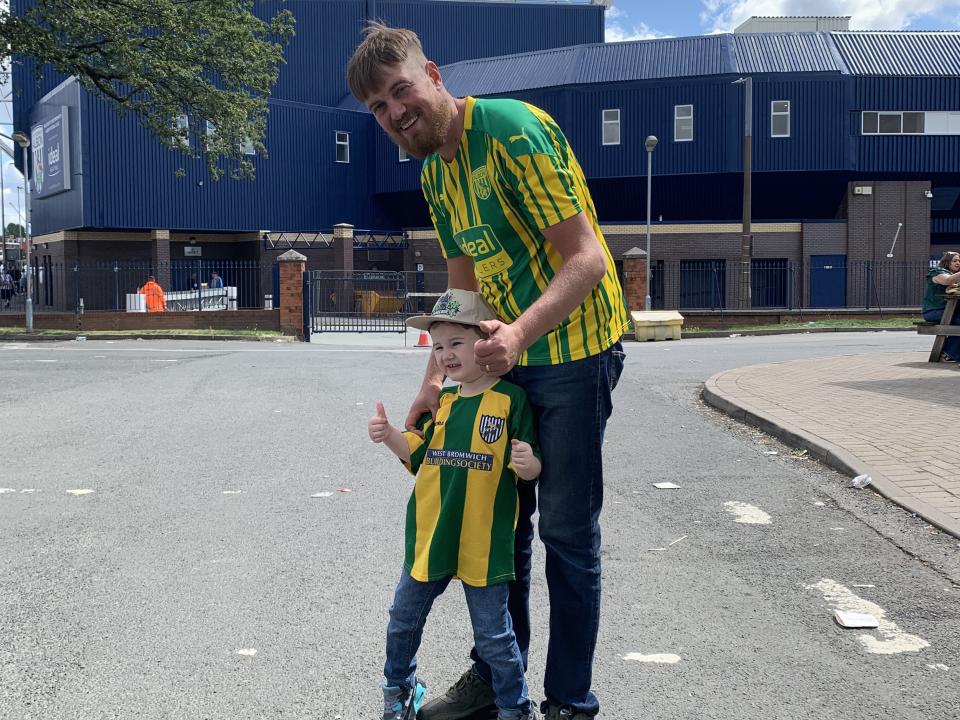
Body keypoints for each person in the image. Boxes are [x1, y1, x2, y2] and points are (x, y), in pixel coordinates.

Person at [348, 25, 628, 719]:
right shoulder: (436, 172)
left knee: (565, 531)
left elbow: (588, 258)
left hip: (571, 353)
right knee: (499, 523)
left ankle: (569, 702)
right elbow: (462, 281)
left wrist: (523, 333)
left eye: (400, 90)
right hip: (500, 363)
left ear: (433, 75)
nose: (394, 112)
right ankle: (498, 678)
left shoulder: (511, 131)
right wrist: (434, 380)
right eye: (378, 109)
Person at [368, 289, 542, 720]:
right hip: (430, 537)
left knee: (494, 636)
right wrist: (389, 434)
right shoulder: (442, 404)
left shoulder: (509, 400)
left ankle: (515, 708)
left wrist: (529, 464)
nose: (445, 355)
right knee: (403, 619)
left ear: (487, 341)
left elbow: (530, 470)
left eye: (456, 344)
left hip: (483, 544)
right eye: (439, 346)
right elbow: (419, 455)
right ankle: (399, 694)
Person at [922, 250, 960, 362]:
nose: (958, 263)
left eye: (959, 261)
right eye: (955, 261)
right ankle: (947, 353)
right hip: (933, 311)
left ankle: (949, 353)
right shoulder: (937, 272)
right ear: (947, 262)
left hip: (950, 311)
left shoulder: (955, 276)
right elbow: (947, 281)